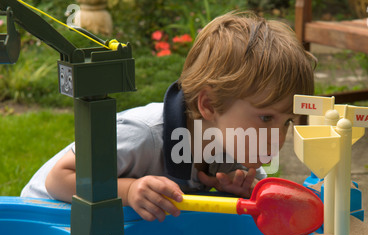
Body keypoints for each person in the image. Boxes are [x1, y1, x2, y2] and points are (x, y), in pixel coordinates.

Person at [21, 11, 315, 222]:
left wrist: (237, 192)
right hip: (47, 221)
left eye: (286, 120)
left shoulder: (238, 148)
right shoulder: (143, 133)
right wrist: (131, 189)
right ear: (209, 105)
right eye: (265, 119)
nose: (278, 138)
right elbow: (58, 179)